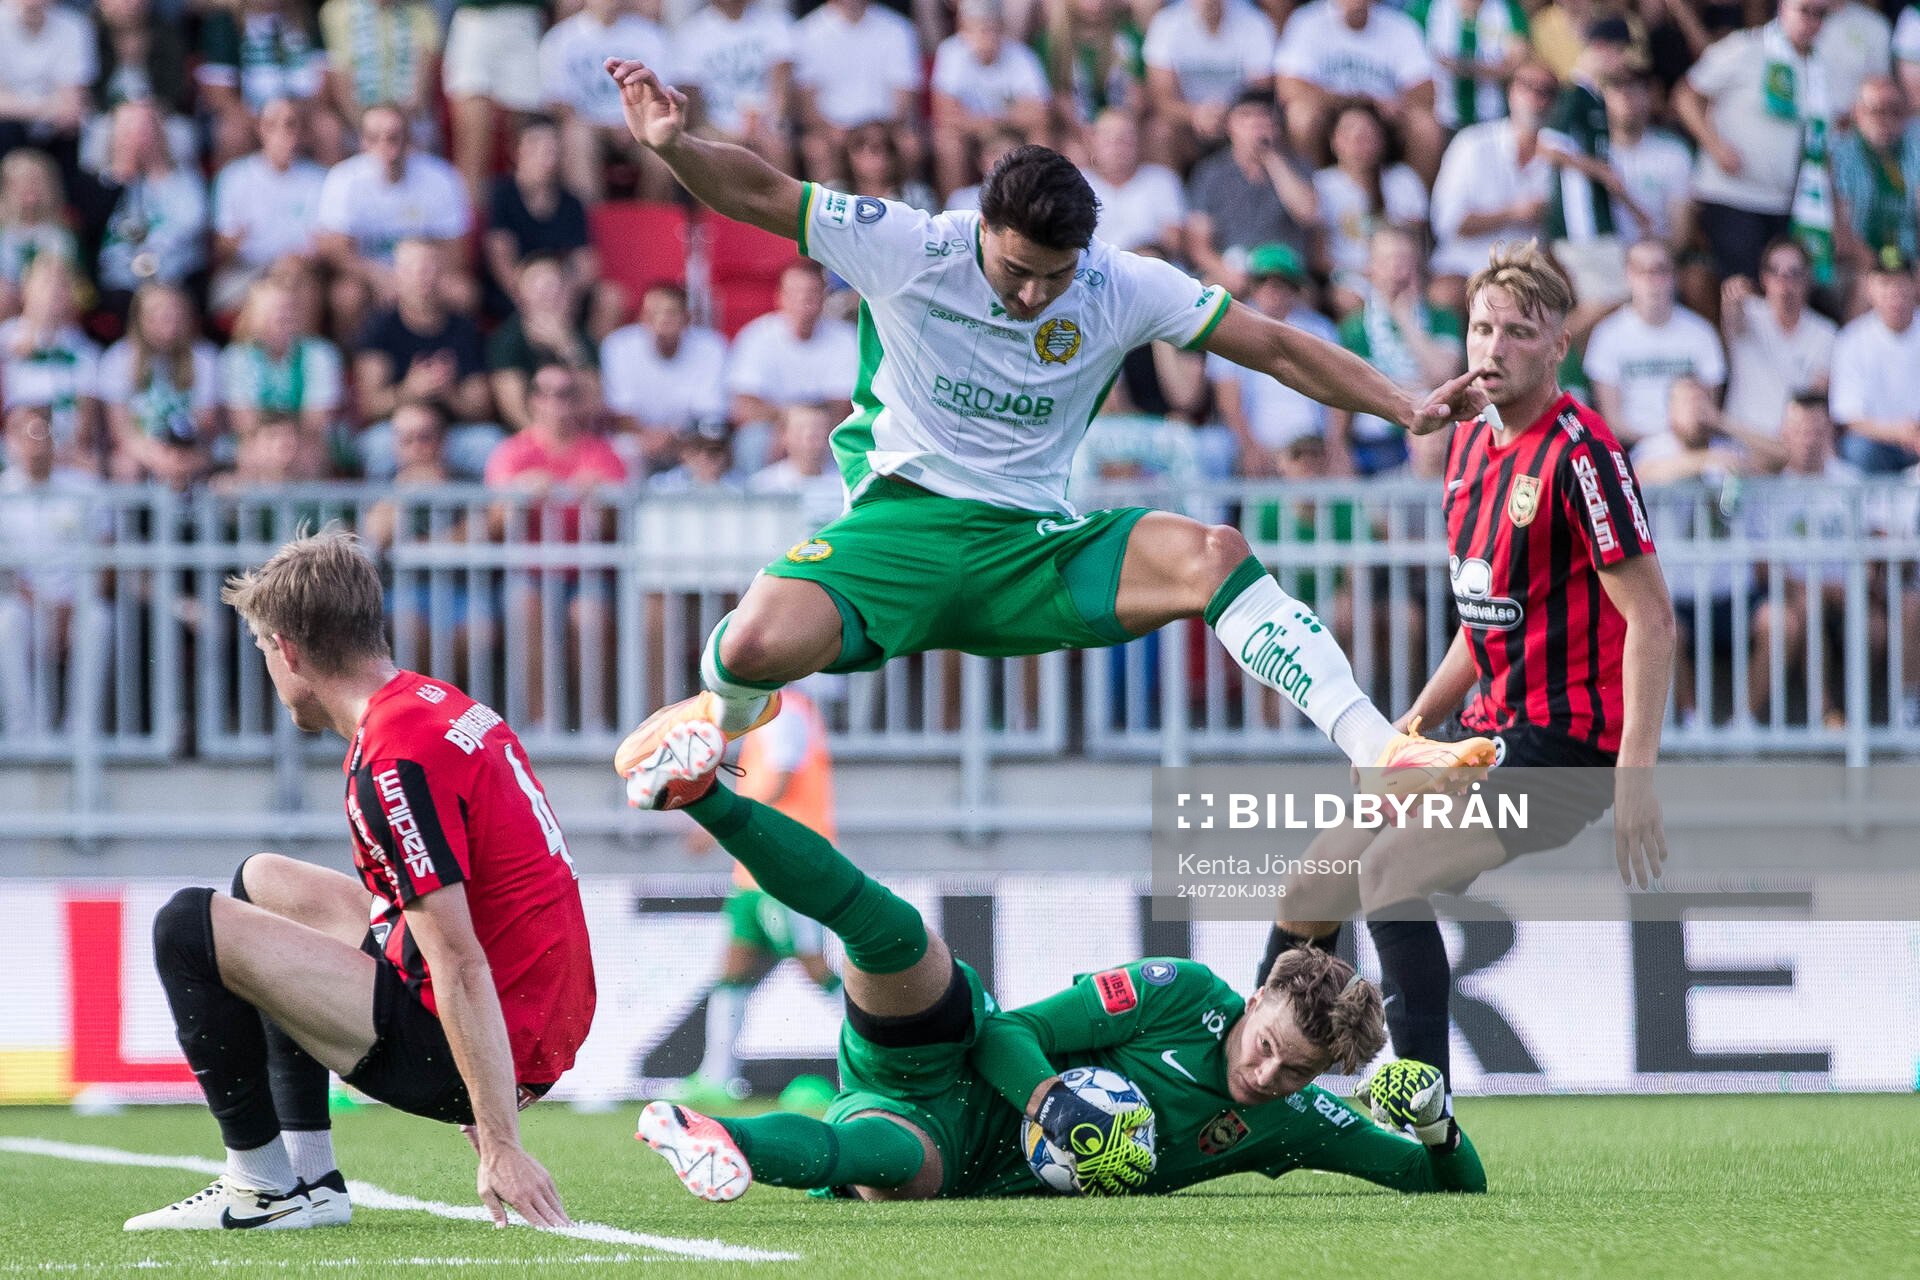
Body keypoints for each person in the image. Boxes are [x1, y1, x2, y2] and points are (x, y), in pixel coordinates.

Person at [601, 56, 1500, 815]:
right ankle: (718, 725)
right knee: (748, 648)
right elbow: (763, 192)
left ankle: (1379, 748)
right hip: (898, 531)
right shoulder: (911, 245)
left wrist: (1402, 403)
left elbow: (1271, 344)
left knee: (1215, 555)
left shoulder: (1119, 284)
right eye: (1017, 271)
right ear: (982, 228)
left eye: (1054, 276)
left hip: (1033, 547)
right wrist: (675, 146)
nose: (1033, 296)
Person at [628, 729, 1485, 1201]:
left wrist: (1439, 1127)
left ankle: (715, 1135)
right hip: (947, 1057)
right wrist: (1049, 1101)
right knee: (893, 937)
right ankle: (706, 794)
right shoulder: (1180, 992)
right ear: (1256, 997)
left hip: (955, 1153)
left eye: (1295, 1072)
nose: (1268, 1077)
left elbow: (1445, 1184)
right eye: (1267, 1048)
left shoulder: (1297, 1122)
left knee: (888, 1164)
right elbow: (1010, 1030)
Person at [1258, 241, 1674, 1099]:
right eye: (1483, 328)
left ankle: (1426, 1119)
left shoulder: (1582, 455)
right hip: (1485, 732)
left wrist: (1636, 773)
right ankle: (1262, 1084)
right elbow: (1482, 622)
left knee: (1391, 872)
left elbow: (1653, 618)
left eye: (1519, 331)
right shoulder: (1469, 446)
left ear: (1559, 346)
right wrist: (1405, 729)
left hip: (1567, 746)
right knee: (1315, 881)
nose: (1494, 347)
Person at [124, 527, 594, 1231]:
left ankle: (259, 1188)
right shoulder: (434, 703)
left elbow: (460, 960)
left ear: (287, 650)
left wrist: (498, 1135)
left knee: (186, 925)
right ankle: (311, 1180)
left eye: (263, 651)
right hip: (532, 1011)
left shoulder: (394, 759)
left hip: (495, 1035)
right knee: (263, 883)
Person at [676, 682, 844, 1108]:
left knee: (813, 967)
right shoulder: (771, 710)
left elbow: (781, 784)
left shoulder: (788, 710)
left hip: (786, 866)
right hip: (754, 870)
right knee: (733, 968)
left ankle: (884, 1060)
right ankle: (717, 1076)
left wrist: (717, 821)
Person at [1673, 0, 1833, 283]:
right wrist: (1715, 146)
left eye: (1820, 14)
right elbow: (1685, 96)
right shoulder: (1744, 47)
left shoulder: (1820, 67)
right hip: (1731, 196)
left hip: (1788, 204)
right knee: (1745, 287)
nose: (1812, 21)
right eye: (1804, 11)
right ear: (1782, 7)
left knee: (1781, 289)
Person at [352, 237, 497, 479]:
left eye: (429, 268)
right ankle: (383, 505)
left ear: (443, 274)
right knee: (376, 447)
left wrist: (447, 392)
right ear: (397, 275)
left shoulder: (464, 328)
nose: (422, 277)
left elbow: (480, 408)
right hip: (399, 433)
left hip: (451, 433)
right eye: (412, 269)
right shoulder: (378, 328)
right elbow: (370, 405)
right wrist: (411, 389)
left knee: (488, 443)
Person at [1205, 243, 1338, 476]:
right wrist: (1248, 447)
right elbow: (1228, 397)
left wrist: (1336, 445)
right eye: (1262, 280)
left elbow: (1337, 389)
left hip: (1312, 446)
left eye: (1280, 282)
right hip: (1261, 444)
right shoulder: (1231, 328)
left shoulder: (1320, 329)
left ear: (1294, 287)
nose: (1271, 288)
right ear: (1252, 286)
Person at [1430, 63, 1556, 310]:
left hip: (1530, 270)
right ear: (1511, 91)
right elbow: (1447, 222)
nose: (1535, 98)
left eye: (1546, 91)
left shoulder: (1563, 151)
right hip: (1464, 264)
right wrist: (1513, 213)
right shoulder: (1472, 143)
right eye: (1527, 86)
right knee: (1443, 296)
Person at [1274, 0, 1444, 181]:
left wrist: (1396, 104)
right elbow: (1290, 87)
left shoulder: (1400, 26)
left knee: (1425, 126)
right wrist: (1360, 101)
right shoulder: (1307, 21)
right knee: (1301, 116)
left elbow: (1425, 91)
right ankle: (1309, 192)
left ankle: (1413, 196)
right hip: (1331, 114)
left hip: (1382, 118)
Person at [1583, 238, 1726, 446]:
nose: (1650, 279)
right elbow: (1612, 421)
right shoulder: (1606, 335)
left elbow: (1709, 411)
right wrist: (1659, 443)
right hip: (1633, 448)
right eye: (1641, 270)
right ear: (1628, 275)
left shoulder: (1702, 333)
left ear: (1674, 275)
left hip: (1694, 446)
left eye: (1660, 270)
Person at [1185, 89, 1320, 296]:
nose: (1257, 123)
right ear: (1229, 125)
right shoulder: (1210, 173)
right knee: (1207, 289)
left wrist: (1270, 158)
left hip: (1284, 274)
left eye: (1265, 116)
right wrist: (1225, 272)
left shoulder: (1297, 167)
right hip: (1231, 269)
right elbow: (1198, 244)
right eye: (1246, 116)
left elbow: (1307, 213)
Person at [540, 0, 675, 203]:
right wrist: (604, 127)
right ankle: (590, 217)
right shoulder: (560, 39)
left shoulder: (650, 36)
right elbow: (559, 103)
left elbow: (661, 93)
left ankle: (650, 218)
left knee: (662, 143)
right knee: (576, 137)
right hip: (587, 125)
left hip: (637, 125)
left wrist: (635, 123)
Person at [209, 97, 328, 316]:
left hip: (300, 272)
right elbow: (224, 244)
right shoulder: (234, 177)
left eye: (290, 124)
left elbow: (320, 244)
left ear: (302, 130)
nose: (282, 133)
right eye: (272, 125)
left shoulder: (319, 179)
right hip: (249, 270)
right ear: (260, 129)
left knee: (300, 287)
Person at [1720, 235, 1834, 457]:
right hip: (1741, 444)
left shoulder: (1826, 334)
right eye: (1775, 272)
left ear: (1808, 278)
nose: (1784, 282)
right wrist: (1732, 296)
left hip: (1792, 450)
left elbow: (1815, 400)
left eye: (1794, 273)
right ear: (1764, 278)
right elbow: (1733, 318)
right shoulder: (1748, 314)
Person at [725, 259, 857, 449]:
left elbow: (844, 406)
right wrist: (791, 422)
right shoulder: (755, 336)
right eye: (795, 292)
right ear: (780, 297)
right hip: (773, 430)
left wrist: (805, 427)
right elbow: (743, 407)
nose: (803, 299)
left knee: (844, 435)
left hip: (825, 429)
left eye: (811, 292)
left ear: (823, 297)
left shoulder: (845, 337)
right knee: (752, 439)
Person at [601, 282, 728, 475]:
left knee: (713, 444)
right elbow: (620, 413)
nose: (661, 321)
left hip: (691, 439)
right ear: (642, 317)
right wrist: (651, 438)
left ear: (687, 318)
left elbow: (710, 415)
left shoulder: (711, 347)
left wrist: (675, 436)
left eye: (670, 314)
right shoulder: (619, 346)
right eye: (652, 314)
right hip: (640, 439)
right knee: (623, 447)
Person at [930, 0, 1050, 198]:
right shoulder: (950, 52)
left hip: (1007, 131)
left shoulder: (1021, 55)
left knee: (1040, 134)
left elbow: (1039, 113)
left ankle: (1037, 198)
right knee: (947, 142)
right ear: (963, 29)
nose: (985, 35)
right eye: (978, 28)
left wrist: (987, 121)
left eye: (991, 28)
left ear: (1001, 28)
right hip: (973, 134)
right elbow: (946, 115)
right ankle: (953, 203)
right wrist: (999, 119)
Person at [1141, 0, 1277, 154]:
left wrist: (1230, 116)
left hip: (1239, 117)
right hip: (1188, 123)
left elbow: (1261, 90)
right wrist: (1195, 115)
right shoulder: (1166, 23)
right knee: (1159, 132)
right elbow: (1161, 98)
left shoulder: (1254, 22)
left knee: (1258, 126)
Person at [1827, 246, 1920, 473]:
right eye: (1885, 283)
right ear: (1869, 288)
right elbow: (1849, 418)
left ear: (1915, 285)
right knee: (1859, 449)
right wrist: (1897, 433)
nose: (1894, 292)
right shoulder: (1851, 339)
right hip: (1878, 443)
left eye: (1901, 282)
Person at [676, 0, 796, 170]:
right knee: (707, 148)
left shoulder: (775, 22)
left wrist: (773, 123)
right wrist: (716, 133)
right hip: (715, 127)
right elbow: (691, 101)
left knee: (776, 146)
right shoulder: (691, 33)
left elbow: (781, 83)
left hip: (765, 123)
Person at [1079, 109, 1186, 256]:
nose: (1117, 148)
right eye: (1109, 140)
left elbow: (1173, 241)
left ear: (1138, 141)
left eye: (1125, 140)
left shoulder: (1161, 179)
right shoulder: (1077, 183)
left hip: (1151, 263)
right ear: (1093, 142)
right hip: (1095, 267)